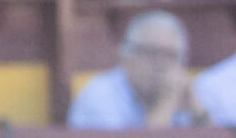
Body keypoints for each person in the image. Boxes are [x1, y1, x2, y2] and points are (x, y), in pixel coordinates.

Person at [69, 10, 206, 127]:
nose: (161, 64)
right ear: (126, 57)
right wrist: (165, 105)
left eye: (170, 55)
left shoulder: (182, 92)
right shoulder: (98, 98)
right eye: (151, 53)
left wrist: (198, 111)